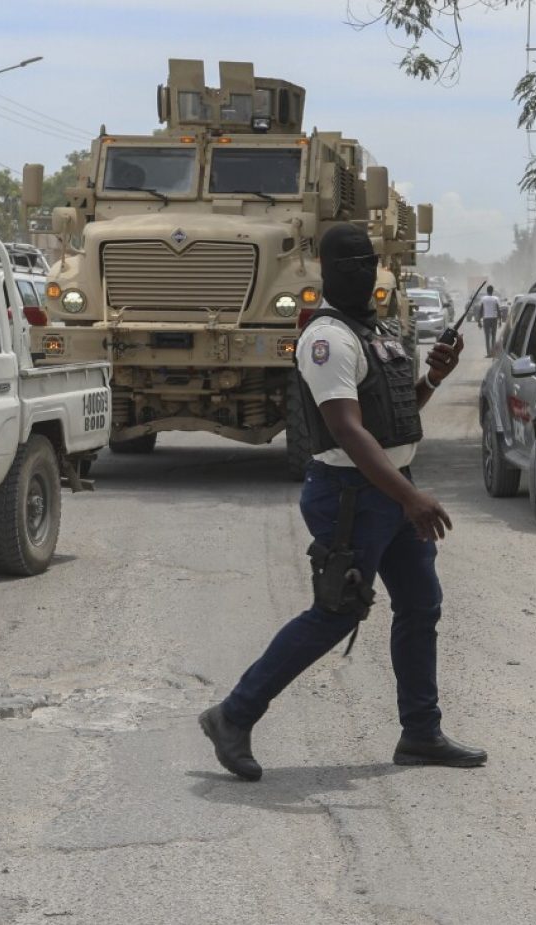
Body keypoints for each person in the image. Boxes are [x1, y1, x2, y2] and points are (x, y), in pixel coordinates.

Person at [198, 223, 487, 782]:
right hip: (353, 495)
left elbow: (396, 416)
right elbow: (349, 431)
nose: (360, 272)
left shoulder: (376, 332)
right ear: (327, 273)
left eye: (367, 262)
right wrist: (411, 498)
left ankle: (420, 732)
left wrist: (433, 377)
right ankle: (232, 716)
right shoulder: (326, 339)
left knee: (421, 604)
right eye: (348, 264)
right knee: (335, 614)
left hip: (390, 489)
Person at [477, 285, 502, 357]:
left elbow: (481, 310)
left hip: (486, 319)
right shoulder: (496, 298)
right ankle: (493, 353)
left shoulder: (483, 299)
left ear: (487, 291)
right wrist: (500, 320)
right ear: (492, 291)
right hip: (494, 319)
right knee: (493, 336)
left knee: (487, 337)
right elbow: (498, 309)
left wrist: (479, 321)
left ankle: (488, 353)